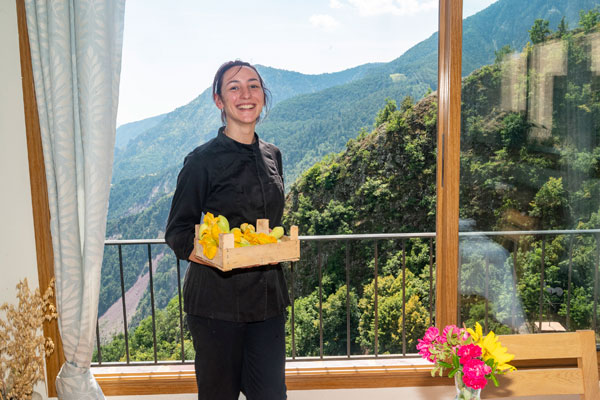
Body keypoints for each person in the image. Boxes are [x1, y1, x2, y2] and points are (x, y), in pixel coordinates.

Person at [165, 60, 289, 400]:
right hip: (216, 306)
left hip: (268, 303)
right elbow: (177, 233)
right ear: (219, 100)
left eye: (253, 86)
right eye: (234, 87)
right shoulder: (201, 161)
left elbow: (272, 225)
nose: (245, 94)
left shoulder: (273, 155)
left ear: (263, 95)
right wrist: (219, 256)